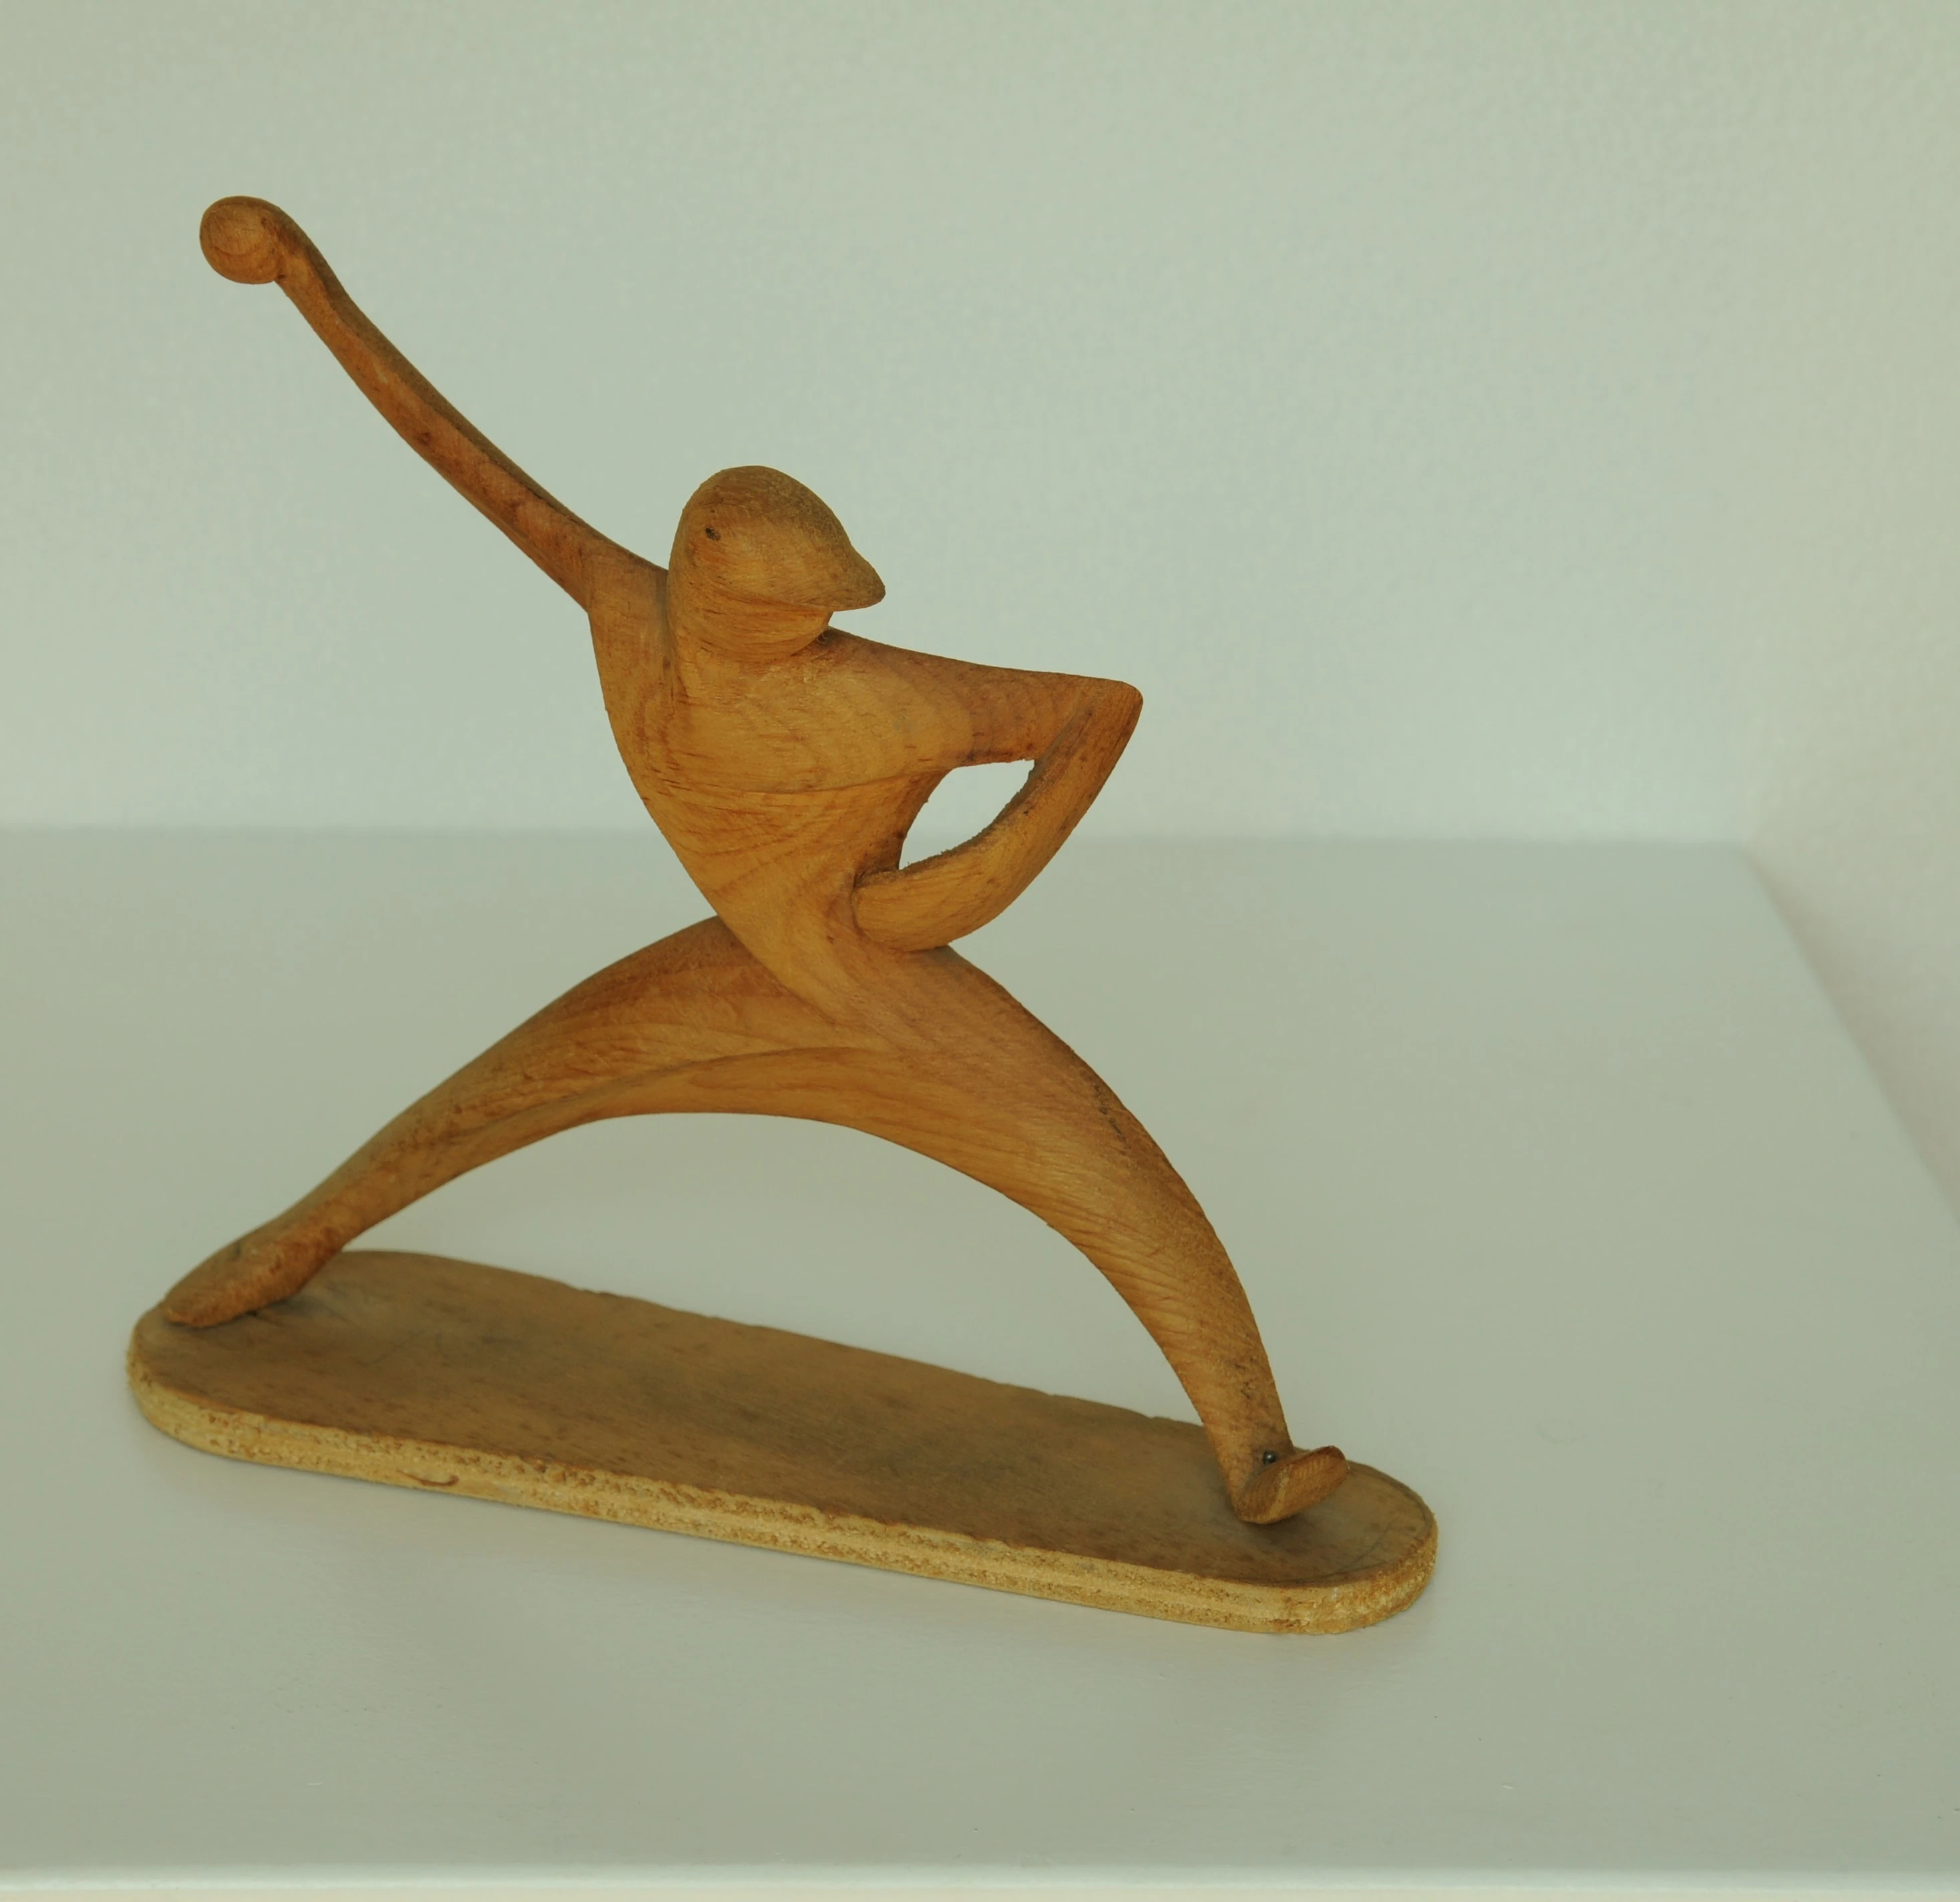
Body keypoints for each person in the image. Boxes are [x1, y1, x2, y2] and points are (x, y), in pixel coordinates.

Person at [164, 198, 1345, 1525]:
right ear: (701, 574)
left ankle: (1255, 1455)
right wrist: (305, 284)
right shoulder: (633, 611)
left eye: (824, 606)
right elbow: (469, 462)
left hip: (887, 992)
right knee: (491, 1096)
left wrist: (961, 889)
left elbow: (1093, 713)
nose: (813, 624)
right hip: (741, 972)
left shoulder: (884, 698)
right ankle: (290, 1246)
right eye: (787, 604)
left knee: (1109, 1182)